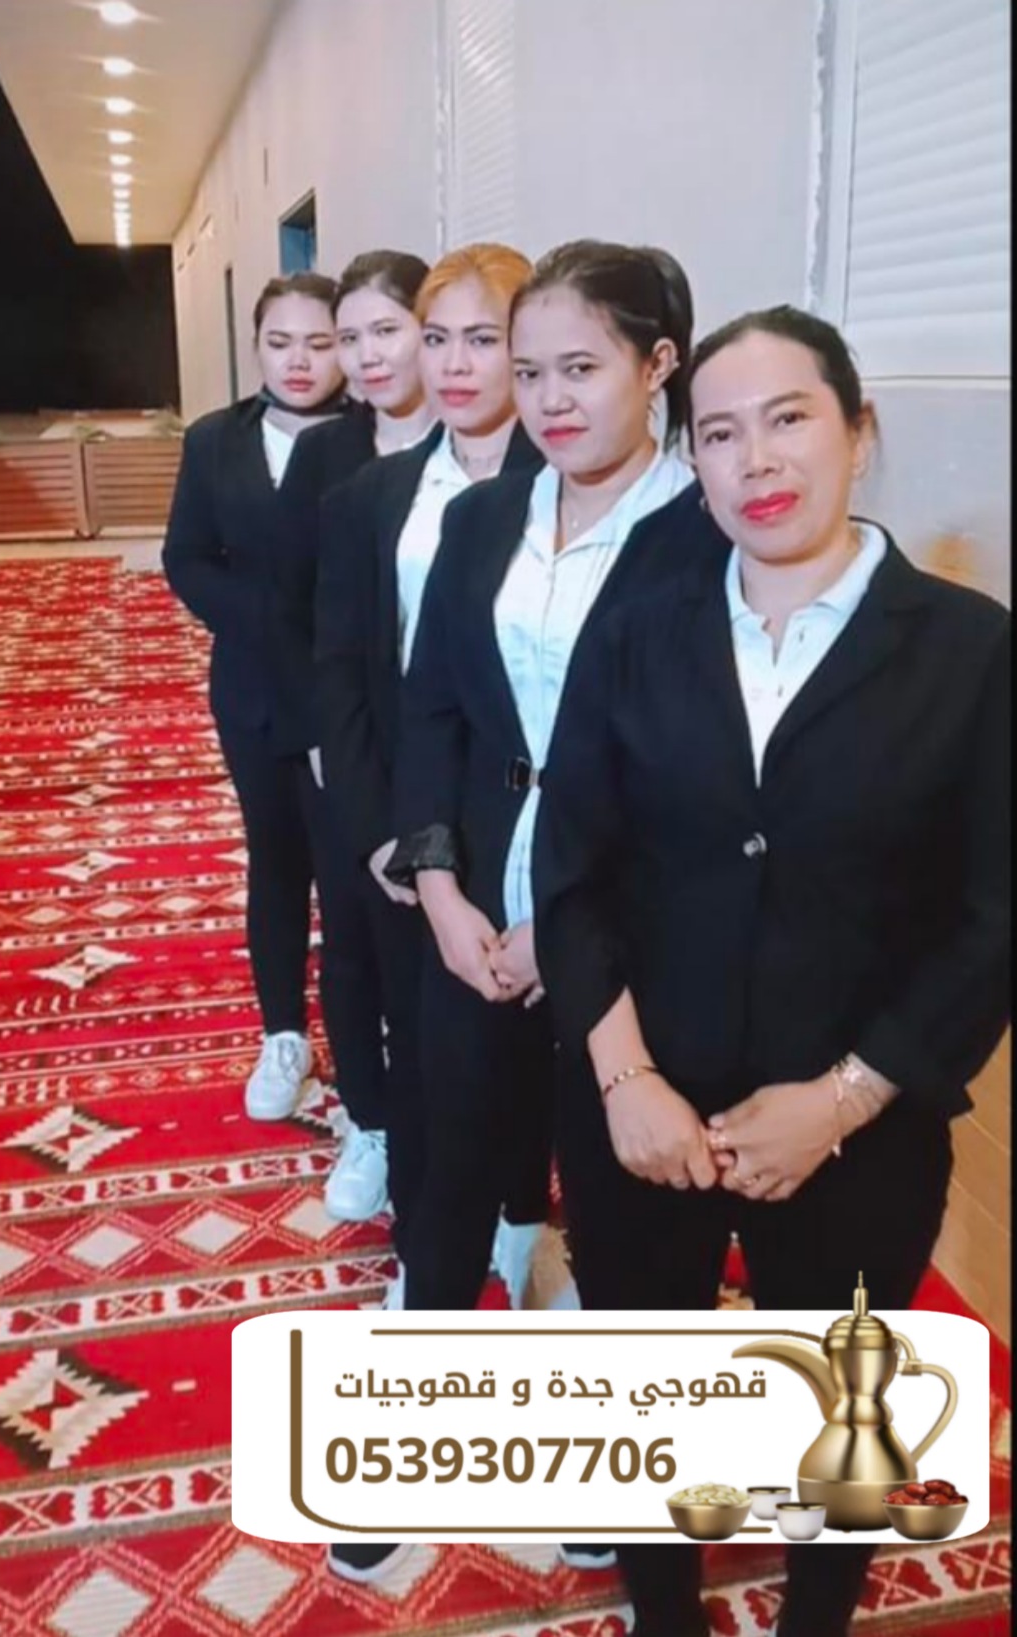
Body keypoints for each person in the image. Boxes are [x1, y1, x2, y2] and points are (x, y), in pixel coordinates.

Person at [533, 306, 1010, 1637]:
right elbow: (569, 869)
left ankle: (815, 1611)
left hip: (860, 1117)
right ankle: (664, 1610)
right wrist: (623, 1077)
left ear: (860, 431)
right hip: (643, 1102)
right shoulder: (637, 631)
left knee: (838, 1407)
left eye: (789, 418)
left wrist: (844, 1098)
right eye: (720, 434)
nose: (755, 460)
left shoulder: (972, 650)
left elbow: (995, 916)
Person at [389, 240, 727, 1327]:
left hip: (628, 917)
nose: (549, 400)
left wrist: (573, 926)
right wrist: (439, 887)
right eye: (528, 371)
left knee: (618, 1187)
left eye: (580, 369)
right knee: (450, 1152)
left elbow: (704, 782)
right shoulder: (483, 517)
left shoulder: (709, 540)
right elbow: (432, 708)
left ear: (657, 364)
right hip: (474, 900)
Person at [316, 242, 541, 1315]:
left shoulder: (570, 485)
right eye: (437, 337)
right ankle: (428, 1246)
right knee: (426, 1048)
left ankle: (523, 1219)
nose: (453, 365)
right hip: (408, 818)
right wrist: (382, 829)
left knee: (532, 1039)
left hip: (529, 810)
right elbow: (342, 671)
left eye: (482, 340)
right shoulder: (375, 494)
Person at [162, 272, 350, 1124]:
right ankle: (283, 1034)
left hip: (346, 699)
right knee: (275, 859)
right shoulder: (215, 440)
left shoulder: (373, 439)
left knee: (349, 873)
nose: (299, 361)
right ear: (256, 346)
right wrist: (269, 621)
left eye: (320, 342)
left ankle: (367, 1036)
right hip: (252, 691)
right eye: (281, 343)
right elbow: (186, 557)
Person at [283, 249, 434, 1222]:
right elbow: (295, 610)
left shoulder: (490, 444)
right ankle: (371, 1122)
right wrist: (321, 740)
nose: (368, 355)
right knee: (351, 936)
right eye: (351, 337)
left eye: (387, 329)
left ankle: (462, 1132)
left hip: (449, 744)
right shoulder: (327, 456)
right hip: (343, 741)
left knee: (439, 944)